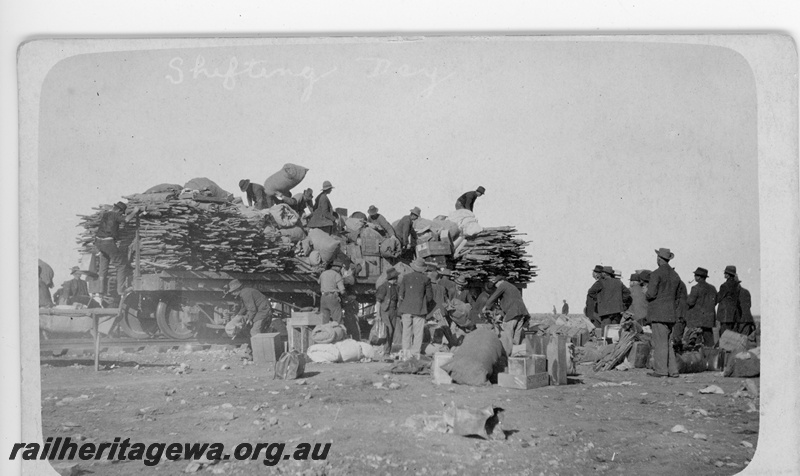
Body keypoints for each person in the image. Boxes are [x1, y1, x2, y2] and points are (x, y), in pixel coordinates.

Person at [645, 248, 682, 378]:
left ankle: (661, 370)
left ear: (659, 259)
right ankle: (673, 370)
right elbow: (678, 295)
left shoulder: (656, 274)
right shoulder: (675, 275)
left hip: (658, 314)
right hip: (671, 314)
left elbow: (651, 294)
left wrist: (646, 293)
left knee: (660, 343)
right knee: (668, 343)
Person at [227, 279, 282, 359]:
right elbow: (245, 307)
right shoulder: (244, 293)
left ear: (237, 289)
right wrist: (238, 315)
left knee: (254, 331)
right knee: (254, 331)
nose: (233, 294)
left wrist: (249, 319)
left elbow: (252, 309)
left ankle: (260, 356)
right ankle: (253, 353)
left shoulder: (245, 293)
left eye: (233, 292)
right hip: (261, 311)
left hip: (263, 312)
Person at [95, 201, 138, 302]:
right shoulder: (115, 215)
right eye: (122, 212)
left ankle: (101, 291)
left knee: (103, 267)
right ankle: (121, 290)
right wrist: (135, 211)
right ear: (119, 210)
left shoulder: (106, 214)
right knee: (121, 265)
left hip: (98, 242)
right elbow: (127, 219)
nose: (122, 215)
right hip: (107, 243)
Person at [482, 276, 530, 356]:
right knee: (517, 334)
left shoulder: (503, 285)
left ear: (500, 281)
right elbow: (509, 303)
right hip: (521, 313)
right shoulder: (511, 287)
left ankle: (508, 354)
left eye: (496, 284)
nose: (496, 286)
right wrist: (501, 315)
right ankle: (516, 354)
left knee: (507, 333)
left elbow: (494, 297)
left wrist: (486, 307)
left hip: (513, 312)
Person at [397, 258, 433, 359]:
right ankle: (415, 354)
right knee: (418, 333)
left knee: (406, 332)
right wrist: (423, 304)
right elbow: (430, 297)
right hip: (419, 310)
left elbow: (401, 295)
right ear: (423, 268)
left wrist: (403, 305)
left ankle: (405, 353)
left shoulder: (406, 277)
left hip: (406, 309)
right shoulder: (426, 279)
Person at [685, 267, 717, 348]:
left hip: (697, 320)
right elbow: (715, 301)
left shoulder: (695, 288)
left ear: (699, 277)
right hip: (709, 319)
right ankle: (710, 359)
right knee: (709, 343)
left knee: (696, 343)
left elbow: (690, 302)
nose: (694, 277)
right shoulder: (712, 288)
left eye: (695, 275)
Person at [375, 268, 400, 356]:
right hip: (385, 310)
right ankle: (385, 351)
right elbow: (378, 302)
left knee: (392, 330)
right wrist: (378, 314)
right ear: (393, 278)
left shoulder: (396, 287)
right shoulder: (383, 287)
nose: (397, 279)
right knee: (388, 330)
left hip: (393, 310)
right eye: (396, 278)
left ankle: (387, 351)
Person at [715, 265, 741, 335]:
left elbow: (718, 298)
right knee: (731, 334)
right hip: (734, 315)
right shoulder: (737, 285)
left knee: (724, 334)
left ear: (729, 275)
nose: (724, 274)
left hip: (725, 315)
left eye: (726, 273)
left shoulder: (724, 285)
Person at [318, 261, 346, 326]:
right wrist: (345, 297)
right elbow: (342, 291)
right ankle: (339, 335)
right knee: (337, 320)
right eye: (340, 268)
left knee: (324, 321)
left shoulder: (323, 274)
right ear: (337, 267)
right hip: (332, 297)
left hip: (323, 298)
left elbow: (318, 282)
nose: (340, 269)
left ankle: (326, 334)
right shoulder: (337, 275)